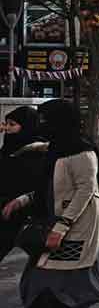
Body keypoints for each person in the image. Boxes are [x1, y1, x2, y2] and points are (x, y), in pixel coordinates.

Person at [2, 99, 99, 308]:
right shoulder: (56, 149)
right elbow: (50, 187)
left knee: (61, 288)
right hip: (54, 224)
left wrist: (61, 228)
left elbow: (85, 191)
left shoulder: (82, 152)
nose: (42, 125)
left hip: (74, 230)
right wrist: (22, 201)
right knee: (45, 284)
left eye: (46, 120)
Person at [0, 107, 47, 263]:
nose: (6, 128)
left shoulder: (37, 150)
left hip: (18, 211)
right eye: (6, 123)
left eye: (12, 124)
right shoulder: (8, 148)